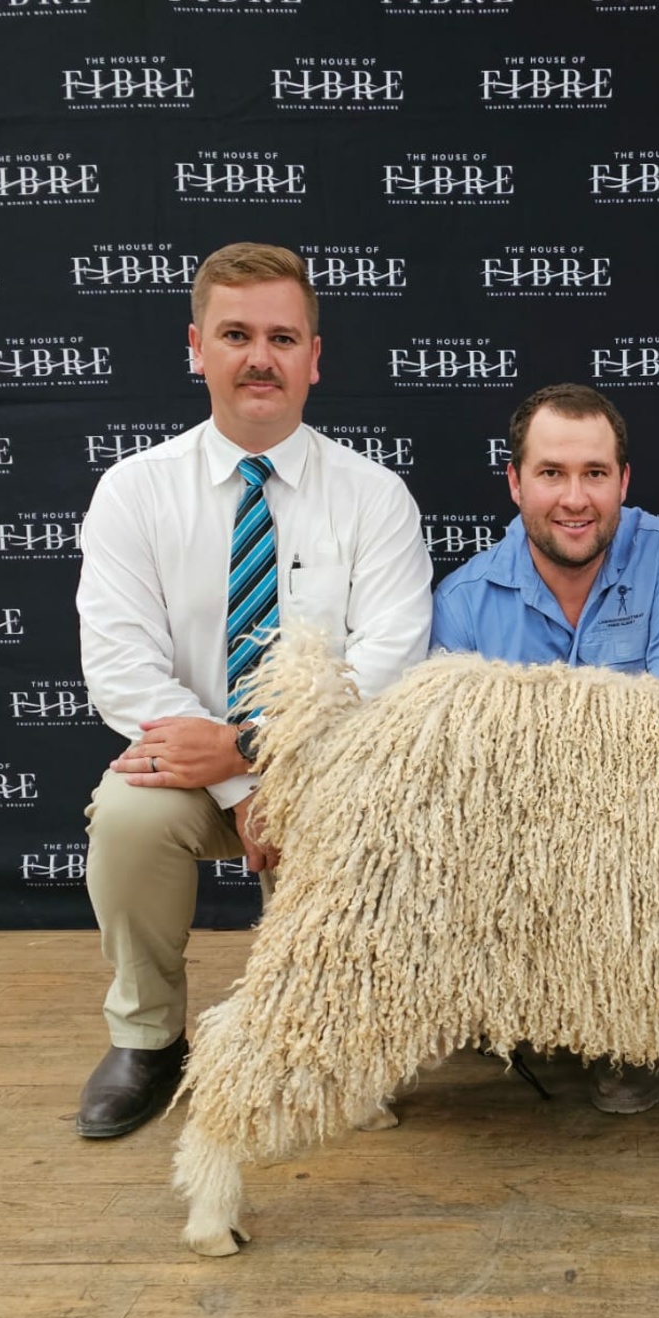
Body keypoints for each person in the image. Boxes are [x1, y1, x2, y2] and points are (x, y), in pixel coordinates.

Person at [75, 242, 433, 1139]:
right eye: (236, 334)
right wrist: (238, 777)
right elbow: (121, 661)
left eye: (283, 335)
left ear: (317, 356)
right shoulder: (134, 492)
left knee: (355, 834)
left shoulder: (376, 497)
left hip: (336, 774)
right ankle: (149, 1038)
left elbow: (389, 656)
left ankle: (336, 1035)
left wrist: (264, 751)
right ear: (197, 347)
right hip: (193, 769)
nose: (260, 356)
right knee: (126, 814)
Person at [430, 382, 659, 1112]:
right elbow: (457, 777)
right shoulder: (463, 601)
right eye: (551, 473)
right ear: (514, 481)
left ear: (624, 481)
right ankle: (528, 1003)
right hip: (519, 845)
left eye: (595, 474)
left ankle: (637, 1028)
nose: (574, 498)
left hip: (644, 835)